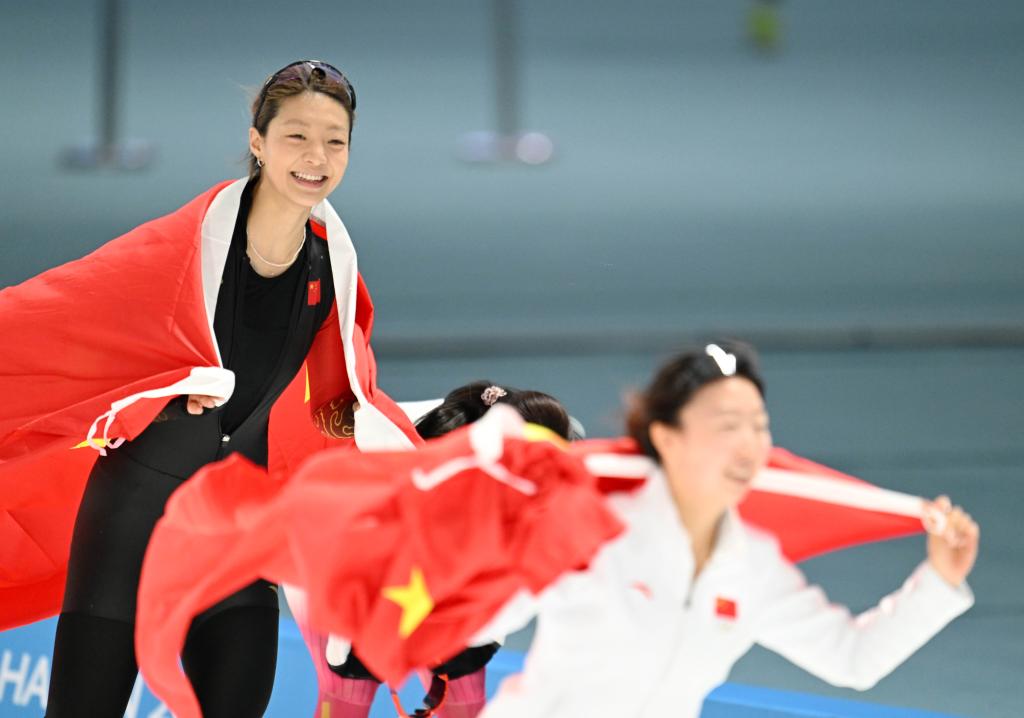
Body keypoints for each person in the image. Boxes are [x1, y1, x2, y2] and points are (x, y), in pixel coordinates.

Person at [0, 60, 419, 717]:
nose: (316, 157)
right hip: (132, 521)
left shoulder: (332, 270)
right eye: (297, 136)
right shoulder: (176, 251)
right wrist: (158, 395)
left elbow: (353, 402)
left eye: (334, 141)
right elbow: (44, 321)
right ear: (259, 142)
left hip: (235, 532)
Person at [481, 342, 979, 718]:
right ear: (667, 438)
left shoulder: (752, 565)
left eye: (758, 425)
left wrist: (940, 580)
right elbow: (474, 616)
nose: (748, 445)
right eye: (726, 425)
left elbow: (852, 659)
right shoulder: (592, 527)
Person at [290, 381, 574, 718]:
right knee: (348, 691)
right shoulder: (374, 485)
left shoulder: (530, 484)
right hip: (332, 538)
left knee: (463, 693)